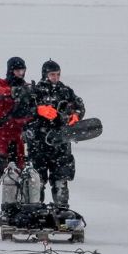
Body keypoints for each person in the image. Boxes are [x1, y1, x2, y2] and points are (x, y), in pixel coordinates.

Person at [25, 59, 85, 207]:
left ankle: (61, 209)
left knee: (61, 179)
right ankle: (35, 209)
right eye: (52, 74)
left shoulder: (65, 91)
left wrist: (76, 115)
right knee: (37, 180)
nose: (55, 77)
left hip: (61, 143)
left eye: (58, 74)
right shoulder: (34, 92)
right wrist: (37, 110)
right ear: (45, 74)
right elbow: (21, 111)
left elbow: (79, 106)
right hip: (39, 142)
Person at [0, 57, 35, 212]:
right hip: (0, 135)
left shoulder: (27, 89)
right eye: (18, 70)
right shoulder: (0, 83)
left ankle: (16, 203)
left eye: (23, 70)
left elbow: (33, 112)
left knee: (22, 170)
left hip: (18, 137)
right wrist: (12, 91)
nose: (21, 73)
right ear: (11, 71)